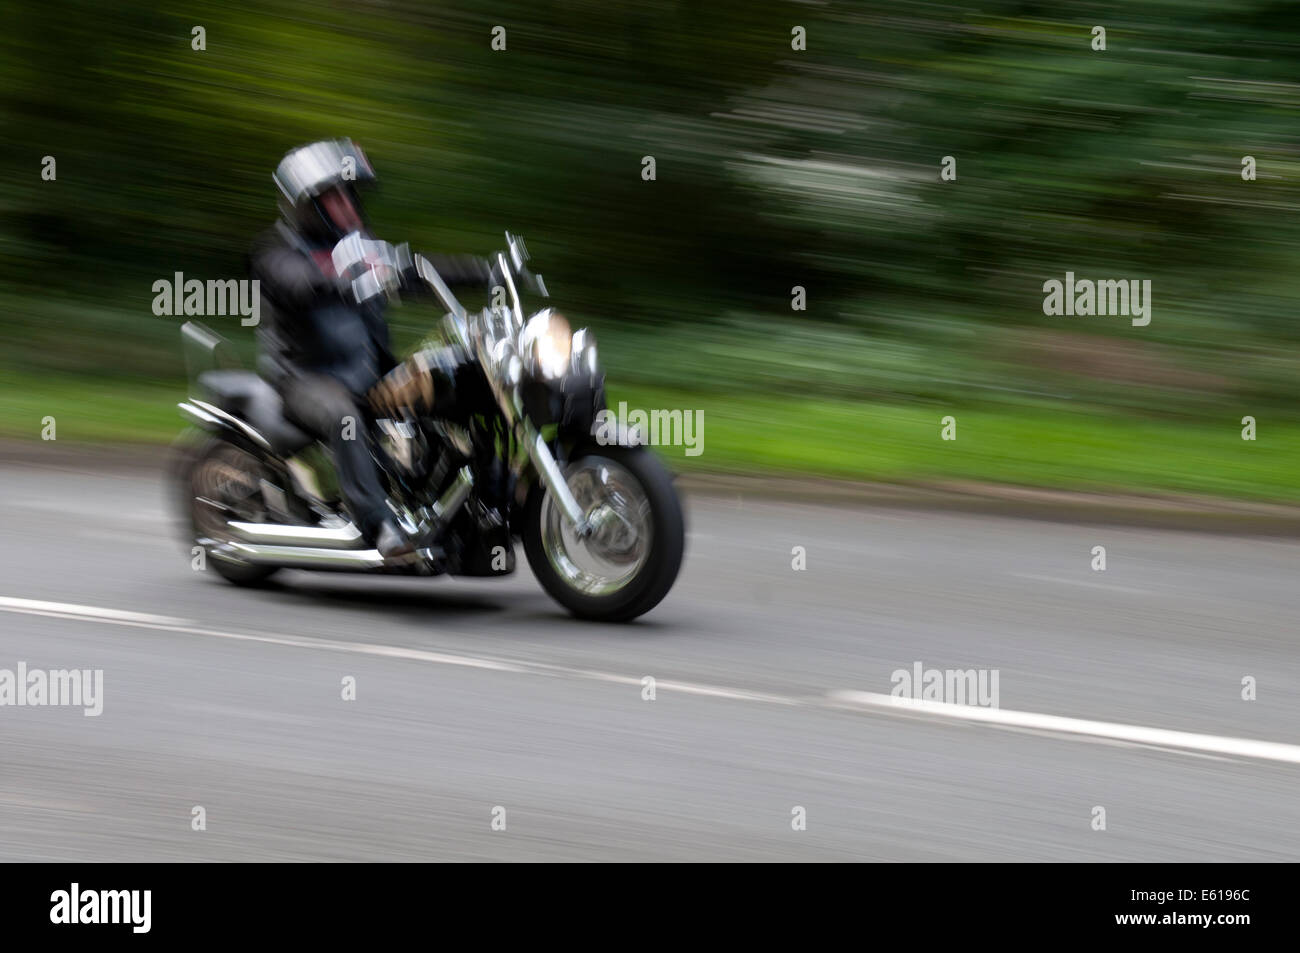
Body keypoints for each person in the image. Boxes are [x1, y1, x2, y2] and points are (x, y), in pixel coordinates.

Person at [251, 139, 490, 557]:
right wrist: (343, 282)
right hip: (309, 379)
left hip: (371, 371)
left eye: (351, 195)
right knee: (345, 417)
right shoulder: (276, 249)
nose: (348, 206)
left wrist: (488, 271)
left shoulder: (359, 245)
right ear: (307, 204)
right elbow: (297, 283)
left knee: (458, 382)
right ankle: (379, 527)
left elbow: (417, 269)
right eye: (335, 197)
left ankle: (480, 501)